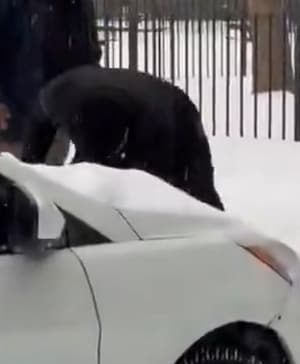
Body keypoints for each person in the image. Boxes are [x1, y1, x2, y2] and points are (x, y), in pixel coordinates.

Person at [22, 65, 225, 211]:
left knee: (157, 199)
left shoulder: (76, 106)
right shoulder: (60, 94)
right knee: (201, 194)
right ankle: (230, 242)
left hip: (156, 118)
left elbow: (93, 165)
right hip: (173, 102)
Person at [0, 0, 101, 163]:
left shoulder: (76, 5)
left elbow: (88, 52)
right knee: (14, 178)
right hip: (15, 114)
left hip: (57, 113)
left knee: (45, 180)